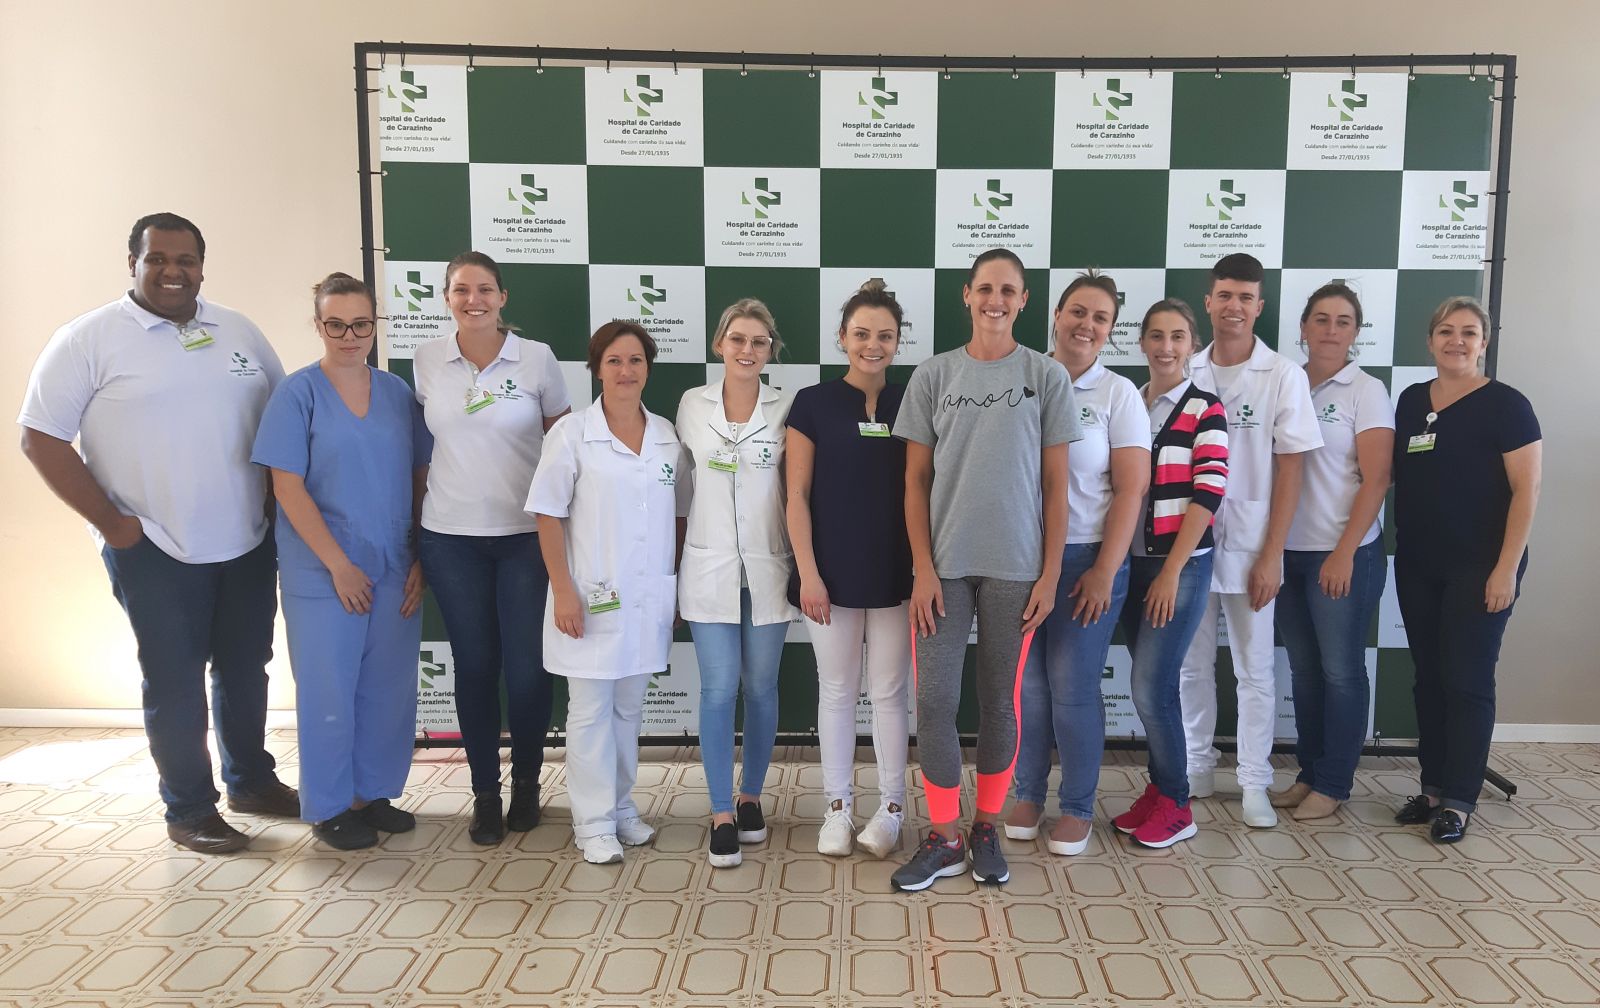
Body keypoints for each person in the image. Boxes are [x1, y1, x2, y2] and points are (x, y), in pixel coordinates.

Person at [18, 212, 298, 854]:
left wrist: (274, 509)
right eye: (157, 259)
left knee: (246, 668)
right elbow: (40, 437)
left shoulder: (238, 331)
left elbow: (282, 420)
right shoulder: (88, 339)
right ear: (133, 263)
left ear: (202, 266)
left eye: (186, 260)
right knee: (174, 679)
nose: (173, 271)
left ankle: (251, 782)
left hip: (247, 539)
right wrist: (115, 527)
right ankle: (189, 808)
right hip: (154, 547)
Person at [890, 248, 1079, 892]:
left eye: (1008, 290)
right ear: (967, 296)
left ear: (1023, 301)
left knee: (1000, 701)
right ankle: (945, 836)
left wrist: (1050, 575)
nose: (996, 300)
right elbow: (915, 482)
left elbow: (1057, 488)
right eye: (985, 289)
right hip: (942, 568)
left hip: (1017, 569)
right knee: (935, 701)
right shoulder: (933, 375)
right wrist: (922, 569)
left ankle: (985, 829)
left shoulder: (1046, 376)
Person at [250, 273, 431, 849]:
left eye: (360, 325)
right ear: (318, 326)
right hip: (322, 571)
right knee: (329, 692)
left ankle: (371, 795)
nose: (349, 336)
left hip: (394, 560)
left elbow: (420, 475)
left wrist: (420, 556)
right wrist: (337, 564)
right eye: (336, 325)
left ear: (376, 325)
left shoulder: (398, 394)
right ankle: (329, 807)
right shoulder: (297, 394)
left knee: (388, 688)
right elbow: (286, 486)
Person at [413, 251, 571, 845]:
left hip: (525, 537)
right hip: (450, 538)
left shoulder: (537, 358)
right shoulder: (427, 359)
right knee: (475, 668)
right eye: (461, 290)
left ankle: (527, 783)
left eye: (484, 289)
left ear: (503, 296)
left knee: (527, 671)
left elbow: (563, 443)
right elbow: (423, 452)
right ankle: (485, 794)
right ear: (447, 298)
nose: (473, 300)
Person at [1005, 271, 1150, 856]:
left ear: (1110, 330)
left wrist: (1105, 570)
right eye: (1078, 312)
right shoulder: (1020, 378)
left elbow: (1131, 490)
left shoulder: (1119, 394)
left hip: (1089, 558)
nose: (1087, 325)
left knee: (1071, 687)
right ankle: (1027, 793)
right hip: (1020, 558)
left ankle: (1077, 806)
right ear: (1056, 315)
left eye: (1101, 318)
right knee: (1029, 688)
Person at [1178, 253, 1322, 830]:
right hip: (1188, 542)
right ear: (1209, 302)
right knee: (1190, 666)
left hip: (1252, 545)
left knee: (1254, 670)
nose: (1233, 306)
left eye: (1244, 297)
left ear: (1259, 306)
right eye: (1224, 296)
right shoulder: (1186, 366)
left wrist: (1272, 554)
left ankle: (1255, 781)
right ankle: (1196, 766)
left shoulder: (1282, 375)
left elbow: (1292, 468)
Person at [527, 322, 678, 864]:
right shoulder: (572, 434)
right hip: (588, 599)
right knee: (590, 712)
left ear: (648, 368)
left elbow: (677, 514)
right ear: (596, 368)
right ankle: (591, 823)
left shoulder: (665, 435)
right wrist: (563, 590)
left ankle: (619, 807)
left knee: (628, 710)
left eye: (635, 360)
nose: (625, 371)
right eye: (614, 360)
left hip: (645, 600)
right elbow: (547, 514)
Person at [1391, 297, 1540, 844]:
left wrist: (1506, 570)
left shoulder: (1507, 405)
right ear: (1430, 340)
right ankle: (1432, 789)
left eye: (1469, 332)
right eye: (1447, 331)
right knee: (1428, 679)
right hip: (1418, 563)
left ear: (1484, 343)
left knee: (1467, 680)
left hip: (1482, 566)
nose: (1457, 340)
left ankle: (1459, 800)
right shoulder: (1411, 401)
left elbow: (1527, 490)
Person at [786, 279, 913, 859]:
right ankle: (836, 808)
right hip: (829, 574)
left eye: (884, 336)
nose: (872, 345)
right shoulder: (812, 403)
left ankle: (891, 810)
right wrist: (808, 573)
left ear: (897, 341)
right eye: (861, 334)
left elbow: (925, 488)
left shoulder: (913, 398)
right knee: (836, 691)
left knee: (889, 692)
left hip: (897, 574)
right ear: (842, 337)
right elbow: (795, 496)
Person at [676, 299, 798, 868]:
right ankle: (721, 811)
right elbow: (681, 486)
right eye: (738, 339)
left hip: (768, 565)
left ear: (771, 349)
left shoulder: (787, 406)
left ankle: (752, 797)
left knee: (763, 687)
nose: (747, 350)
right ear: (719, 344)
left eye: (759, 341)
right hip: (709, 566)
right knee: (719, 688)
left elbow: (797, 490)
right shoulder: (690, 405)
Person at [1271, 285, 1393, 821]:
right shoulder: (1286, 381)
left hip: (1345, 554)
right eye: (1320, 319)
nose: (1330, 329)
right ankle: (1310, 773)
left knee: (1341, 672)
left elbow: (1377, 478)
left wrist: (1343, 553)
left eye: (1343, 321)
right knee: (1304, 672)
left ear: (1356, 332)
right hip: (1287, 553)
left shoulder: (1366, 390)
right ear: (1303, 327)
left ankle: (1335, 782)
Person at [1111, 299, 1229, 849]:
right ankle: (1160, 791)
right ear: (1142, 343)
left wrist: (1171, 571)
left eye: (1177, 336)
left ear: (1192, 345)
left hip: (1177, 567)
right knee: (1153, 686)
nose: (1165, 346)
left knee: (1151, 687)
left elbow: (1208, 494)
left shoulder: (1206, 408)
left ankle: (1178, 805)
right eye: (1156, 336)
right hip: (1130, 564)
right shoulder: (1129, 403)